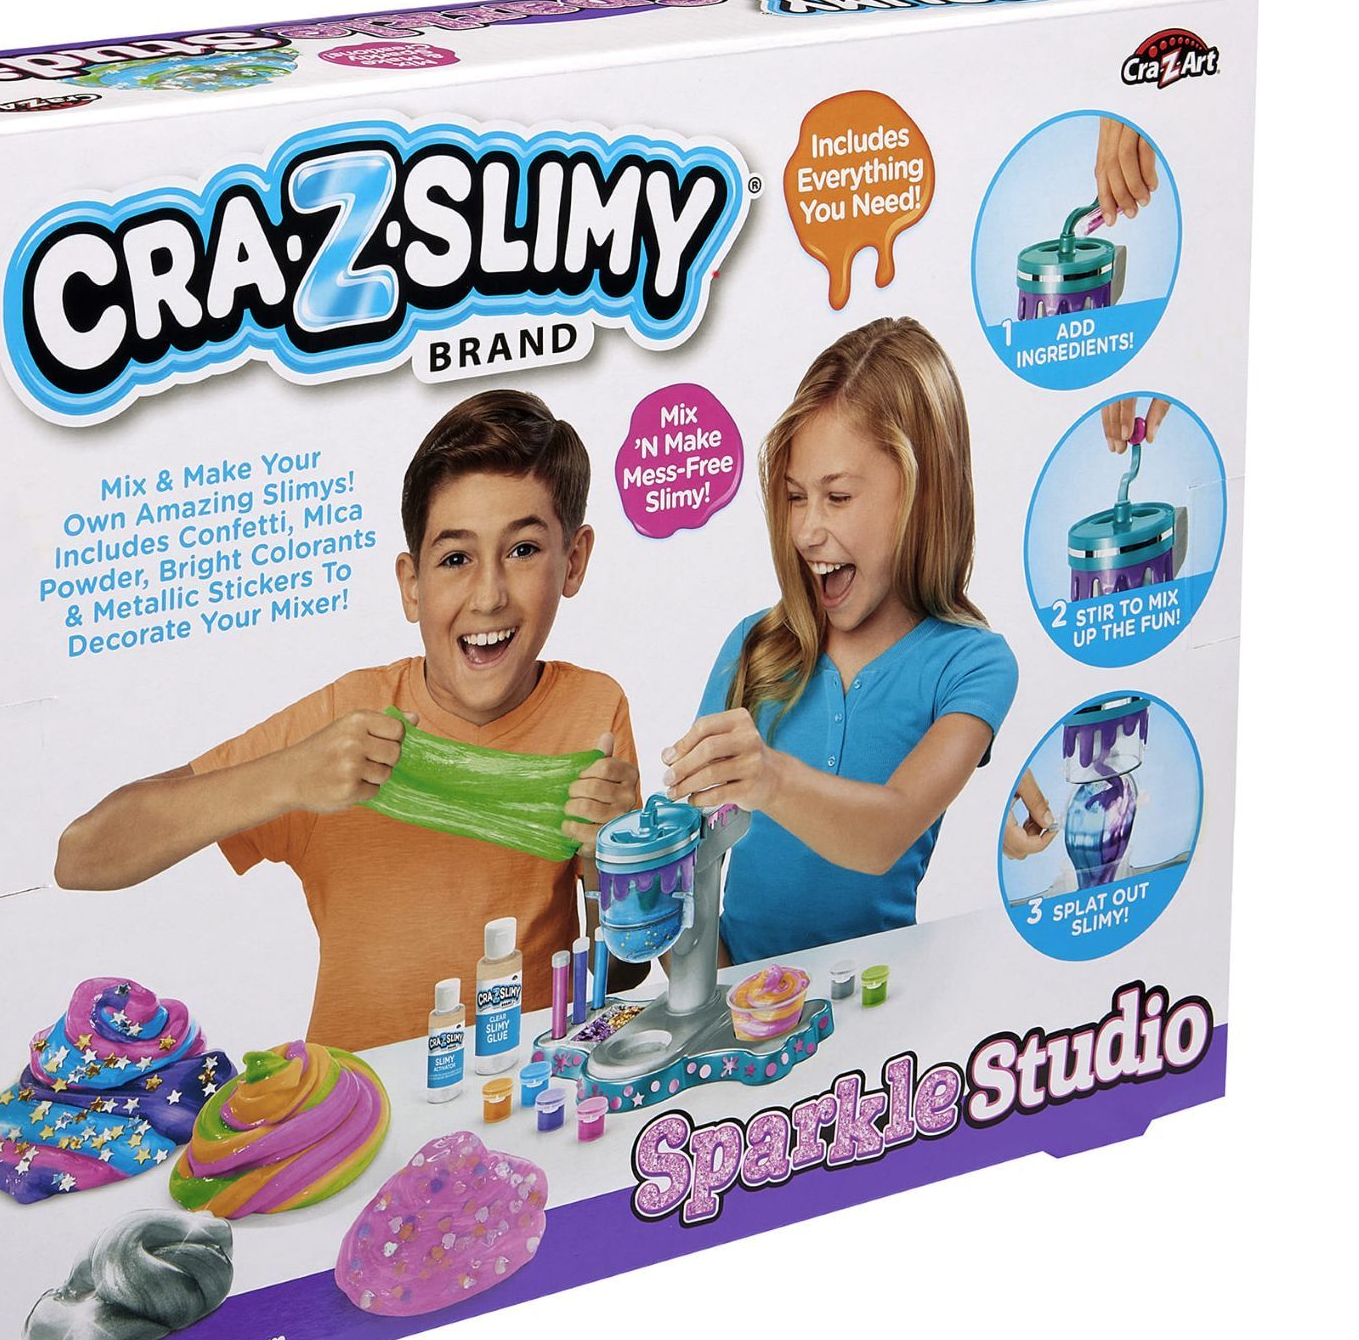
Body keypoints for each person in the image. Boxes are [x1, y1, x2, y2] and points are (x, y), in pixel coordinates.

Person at [55, 389, 640, 1049]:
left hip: (528, 1086)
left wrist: (612, 862)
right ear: (411, 585)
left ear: (574, 560)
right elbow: (80, 856)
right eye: (455, 559)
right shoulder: (345, 720)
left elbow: (623, 972)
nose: (488, 595)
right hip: (354, 1095)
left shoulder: (593, 711)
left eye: (523, 549)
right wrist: (291, 776)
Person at [661, 318, 1017, 963]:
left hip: (884, 999)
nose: (806, 531)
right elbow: (688, 883)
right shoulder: (753, 648)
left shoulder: (972, 665)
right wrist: (631, 863)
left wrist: (771, 778)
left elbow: (888, 829)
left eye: (839, 496)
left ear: (923, 495)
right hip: (744, 1000)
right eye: (796, 497)